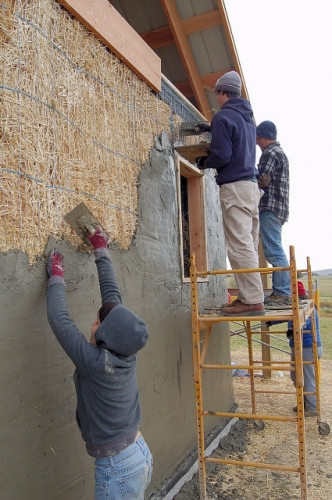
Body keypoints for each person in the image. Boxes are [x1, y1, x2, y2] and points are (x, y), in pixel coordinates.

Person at [47, 227, 153, 500]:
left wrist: (57, 276)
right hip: (139, 454)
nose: (94, 323)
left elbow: (60, 320)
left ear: (107, 335)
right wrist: (100, 249)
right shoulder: (128, 348)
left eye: (98, 323)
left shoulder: (94, 363)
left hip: (117, 468)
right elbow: (112, 296)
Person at [195, 70, 264, 316]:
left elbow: (223, 155)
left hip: (234, 187)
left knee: (238, 245)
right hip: (250, 187)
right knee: (248, 243)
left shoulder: (223, 117)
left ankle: (252, 300)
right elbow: (233, 144)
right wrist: (213, 130)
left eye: (217, 94)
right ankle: (252, 296)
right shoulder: (247, 119)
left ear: (222, 92)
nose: (217, 100)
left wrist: (204, 162)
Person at [256, 120, 291, 308]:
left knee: (273, 251)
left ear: (263, 137)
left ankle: (282, 293)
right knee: (276, 249)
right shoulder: (280, 153)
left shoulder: (269, 153)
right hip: (279, 208)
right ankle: (284, 291)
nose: (256, 143)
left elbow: (263, 181)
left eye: (258, 139)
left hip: (270, 206)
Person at [287, 281, 322, 417]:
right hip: (299, 346)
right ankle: (305, 403)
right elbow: (288, 316)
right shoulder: (296, 307)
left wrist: (293, 329)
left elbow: (303, 320)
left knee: (307, 378)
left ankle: (312, 407)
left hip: (308, 347)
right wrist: (272, 321)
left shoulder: (306, 307)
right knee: (295, 376)